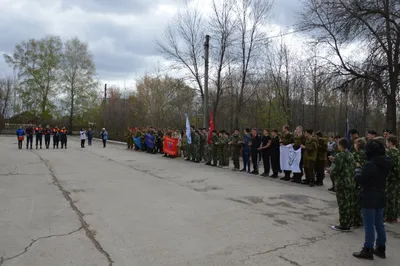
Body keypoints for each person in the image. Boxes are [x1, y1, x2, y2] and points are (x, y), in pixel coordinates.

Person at [353, 139, 392, 260]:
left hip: (369, 195)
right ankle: (381, 248)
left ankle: (368, 249)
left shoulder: (370, 164)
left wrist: (357, 169)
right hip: (380, 193)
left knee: (369, 225)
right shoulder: (385, 162)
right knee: (379, 223)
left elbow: (359, 179)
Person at [330, 138, 355, 232]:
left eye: (338, 144)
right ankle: (349, 221)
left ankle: (344, 225)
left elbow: (335, 169)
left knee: (343, 204)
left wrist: (331, 169)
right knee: (349, 203)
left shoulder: (339, 155)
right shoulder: (350, 154)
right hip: (350, 182)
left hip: (342, 183)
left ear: (340, 145)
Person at [385, 135, 400, 223]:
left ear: (390, 142)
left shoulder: (389, 153)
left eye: (387, 142)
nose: (386, 144)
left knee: (390, 197)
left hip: (392, 178)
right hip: (398, 179)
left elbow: (390, 166)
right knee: (396, 197)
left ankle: (390, 216)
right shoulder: (398, 152)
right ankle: (395, 215)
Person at [353, 138, 367, 227]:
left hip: (356, 177)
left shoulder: (355, 154)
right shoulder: (366, 153)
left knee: (355, 199)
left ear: (357, 145)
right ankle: (361, 218)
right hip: (364, 178)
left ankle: (356, 219)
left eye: (355, 144)